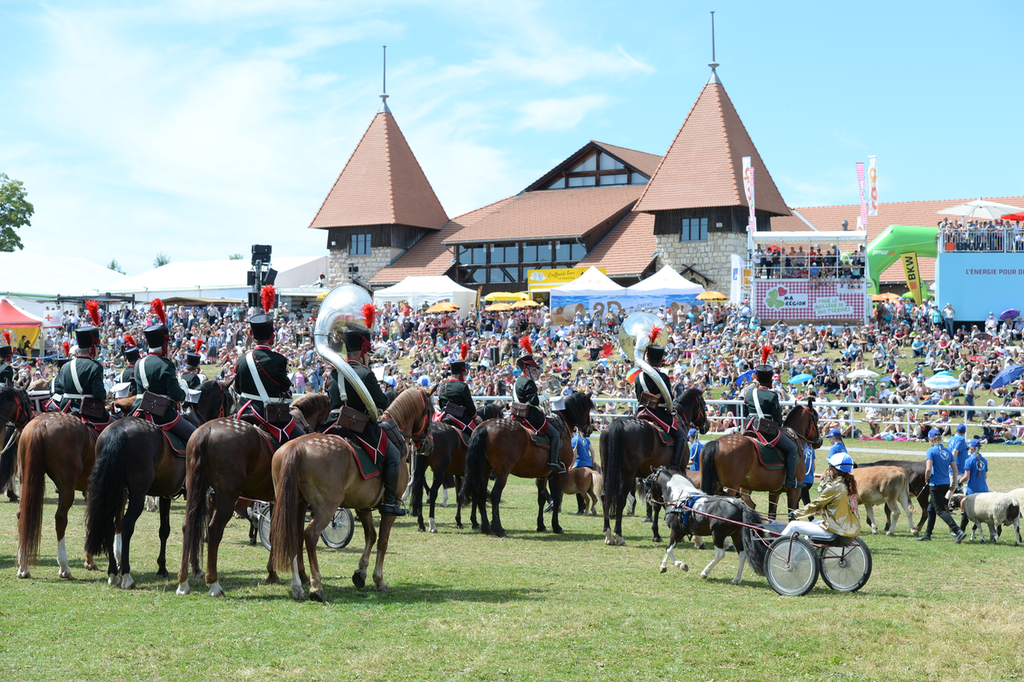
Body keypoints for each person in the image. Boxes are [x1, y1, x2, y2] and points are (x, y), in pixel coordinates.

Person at [336, 305, 405, 517]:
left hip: (333, 423)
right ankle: (390, 503)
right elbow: (382, 401)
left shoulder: (334, 371)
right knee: (394, 457)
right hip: (359, 427)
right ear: (363, 352)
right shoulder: (365, 374)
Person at [233, 287, 304, 446]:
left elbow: (238, 389)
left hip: (243, 410)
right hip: (268, 414)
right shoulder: (279, 360)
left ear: (252, 335)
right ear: (271, 335)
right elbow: (285, 388)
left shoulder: (241, 360)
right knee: (302, 441)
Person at [132, 299, 197, 444]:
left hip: (138, 411)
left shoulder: (139, 363)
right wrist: (184, 391)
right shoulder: (166, 365)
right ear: (164, 344)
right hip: (162, 413)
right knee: (196, 437)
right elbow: (176, 395)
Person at [743, 345, 799, 489]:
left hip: (749, 427)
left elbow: (745, 412)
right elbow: (778, 421)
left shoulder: (748, 393)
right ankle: (791, 480)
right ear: (770, 381)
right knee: (792, 448)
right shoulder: (772, 395)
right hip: (764, 430)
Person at [634, 327, 686, 468]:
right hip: (658, 413)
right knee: (682, 436)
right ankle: (675, 466)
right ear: (661, 360)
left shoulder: (638, 376)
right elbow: (669, 398)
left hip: (641, 412)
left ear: (648, 358)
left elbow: (638, 395)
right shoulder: (663, 377)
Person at [57, 302, 113, 431]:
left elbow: (61, 389)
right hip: (87, 411)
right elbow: (98, 394)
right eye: (97, 348)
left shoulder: (65, 366)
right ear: (92, 348)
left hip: (65, 410)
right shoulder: (95, 367)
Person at [512, 336, 562, 473]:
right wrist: (545, 396)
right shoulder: (528, 382)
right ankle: (553, 462)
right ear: (527, 369)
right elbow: (533, 401)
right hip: (531, 415)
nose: (536, 372)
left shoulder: (517, 381)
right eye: (534, 370)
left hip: (516, 413)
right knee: (555, 433)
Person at [788, 452, 860, 538]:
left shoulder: (835, 487)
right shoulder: (849, 485)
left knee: (793, 525)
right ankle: (804, 550)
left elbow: (816, 505)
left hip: (837, 530)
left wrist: (796, 514)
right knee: (814, 521)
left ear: (834, 470)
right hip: (851, 528)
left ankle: (773, 550)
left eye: (830, 467)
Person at [918, 428, 966, 543]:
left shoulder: (931, 451)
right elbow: (955, 469)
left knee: (940, 510)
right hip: (945, 483)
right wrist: (954, 483)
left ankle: (958, 531)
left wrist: (926, 477)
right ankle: (927, 534)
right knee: (931, 508)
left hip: (936, 484)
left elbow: (928, 468)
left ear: (931, 439)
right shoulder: (948, 451)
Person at [437, 343, 477, 442]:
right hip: (460, 417)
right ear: (460, 375)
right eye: (464, 375)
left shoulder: (443, 387)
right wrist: (474, 416)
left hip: (444, 416)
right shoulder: (463, 387)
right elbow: (470, 407)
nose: (464, 377)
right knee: (476, 435)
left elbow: (442, 404)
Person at [947, 424, 969, 490]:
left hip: (952, 470)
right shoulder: (961, 439)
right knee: (965, 489)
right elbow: (955, 451)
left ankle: (947, 500)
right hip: (960, 469)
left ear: (956, 430)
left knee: (951, 489)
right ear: (965, 432)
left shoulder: (950, 439)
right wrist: (952, 463)